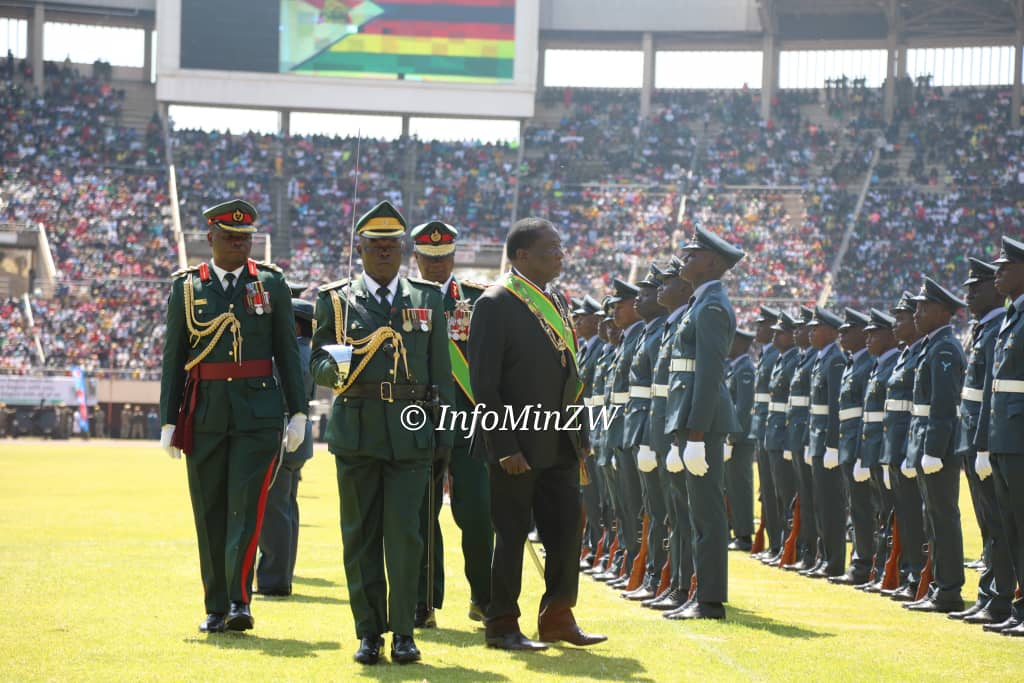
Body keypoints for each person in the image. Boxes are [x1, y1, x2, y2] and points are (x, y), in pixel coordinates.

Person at [310, 200, 454, 664]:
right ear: (361, 250)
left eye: (392, 244)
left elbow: (441, 373)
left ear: (403, 249)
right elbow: (315, 361)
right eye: (376, 245)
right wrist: (335, 367)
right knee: (361, 537)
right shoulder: (336, 300)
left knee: (407, 537)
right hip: (357, 432)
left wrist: (445, 437)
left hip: (412, 434)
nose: (385, 252)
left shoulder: (427, 299)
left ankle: (405, 633)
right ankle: (369, 632)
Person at [159, 198, 308, 635]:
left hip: (259, 415)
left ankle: (240, 601)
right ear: (210, 238)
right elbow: (174, 358)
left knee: (247, 506)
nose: (238, 244)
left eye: (245, 238)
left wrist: (299, 412)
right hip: (204, 413)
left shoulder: (271, 283)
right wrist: (168, 420)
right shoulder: (187, 288)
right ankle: (215, 606)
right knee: (210, 512)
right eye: (229, 237)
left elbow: (287, 351)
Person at [468, 217, 605, 649]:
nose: (561, 255)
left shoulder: (557, 300)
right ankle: (502, 623)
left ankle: (558, 617)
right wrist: (504, 446)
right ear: (522, 255)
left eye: (560, 248)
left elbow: (570, 376)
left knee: (565, 534)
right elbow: (484, 384)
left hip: (560, 442)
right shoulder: (495, 302)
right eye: (552, 249)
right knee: (511, 538)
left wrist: (580, 437)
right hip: (517, 447)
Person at [408, 220, 493, 628]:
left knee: (477, 513)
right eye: (429, 258)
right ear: (416, 258)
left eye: (443, 258)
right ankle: (424, 601)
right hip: (420, 423)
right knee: (422, 515)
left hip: (470, 423)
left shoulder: (478, 299)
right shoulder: (404, 299)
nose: (436, 265)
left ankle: (483, 597)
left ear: (454, 257)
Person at [665, 225, 744, 620]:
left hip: (704, 424)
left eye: (693, 254)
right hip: (692, 421)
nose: (685, 258)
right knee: (697, 512)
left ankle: (709, 600)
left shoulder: (711, 306)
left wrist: (696, 434)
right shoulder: (702, 302)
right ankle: (699, 593)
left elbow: (709, 375)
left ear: (712, 262)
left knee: (708, 515)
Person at [949, 258, 1013, 625]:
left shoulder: (995, 329)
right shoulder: (985, 329)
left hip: (986, 439)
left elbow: (991, 392)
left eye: (977, 288)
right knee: (988, 525)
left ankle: (999, 597)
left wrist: (984, 444)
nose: (969, 295)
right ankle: (989, 594)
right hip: (973, 438)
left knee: (998, 525)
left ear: (993, 289)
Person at [902, 276, 967, 614]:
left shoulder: (944, 348)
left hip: (938, 449)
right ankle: (940, 585)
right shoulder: (933, 345)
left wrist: (932, 450)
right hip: (927, 445)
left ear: (943, 313)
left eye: (924, 308)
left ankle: (949, 589)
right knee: (933, 519)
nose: (916, 314)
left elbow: (942, 405)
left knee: (943, 518)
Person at [256, 286, 317, 598]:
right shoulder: (308, 352)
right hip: (296, 439)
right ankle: (281, 575)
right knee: (286, 509)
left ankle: (274, 579)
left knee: (274, 511)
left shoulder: (290, 354)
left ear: (294, 325)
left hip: (281, 434)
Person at [644, 257, 695, 613]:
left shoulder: (684, 323)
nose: (661, 289)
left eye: (667, 282)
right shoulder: (670, 325)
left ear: (685, 286)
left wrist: (681, 437)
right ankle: (672, 581)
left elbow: (688, 385)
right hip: (661, 429)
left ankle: (682, 583)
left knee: (681, 514)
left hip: (675, 431)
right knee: (669, 514)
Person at [620, 266, 669, 600]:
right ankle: (648, 572)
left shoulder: (660, 331)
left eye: (647, 293)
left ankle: (658, 575)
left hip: (652, 430)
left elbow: (657, 391)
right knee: (643, 507)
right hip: (637, 427)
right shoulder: (648, 332)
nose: (640, 299)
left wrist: (650, 439)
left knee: (658, 510)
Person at [880, 292, 928, 602]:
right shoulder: (905, 354)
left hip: (911, 446)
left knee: (915, 516)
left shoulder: (921, 353)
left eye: (902, 318)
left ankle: (918, 576)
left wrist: (912, 450)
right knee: (905, 516)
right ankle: (909, 573)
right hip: (896, 446)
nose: (896, 324)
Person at [989, 235, 1024, 636]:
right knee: (1011, 526)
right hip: (1003, 437)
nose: (998, 273)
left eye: (1005, 267)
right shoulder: (1011, 316)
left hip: (1019, 438)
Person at [603, 278, 645, 591]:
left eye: (621, 305)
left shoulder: (639, 337)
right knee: (622, 504)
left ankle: (637, 564)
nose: (615, 311)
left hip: (630, 429)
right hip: (616, 429)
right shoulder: (627, 340)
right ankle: (629, 561)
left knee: (634, 504)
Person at [855, 309, 900, 592]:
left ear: (890, 336)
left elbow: (888, 420)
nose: (868, 339)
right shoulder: (878, 365)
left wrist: (883, 457)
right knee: (879, 515)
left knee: (888, 513)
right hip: (871, 450)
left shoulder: (892, 363)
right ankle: (881, 569)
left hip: (882, 451)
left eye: (874, 334)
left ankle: (889, 570)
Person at [802, 306, 846, 580]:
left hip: (826, 443)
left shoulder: (835, 361)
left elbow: (834, 408)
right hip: (816, 439)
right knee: (820, 503)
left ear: (831, 332)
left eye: (816, 328)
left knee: (831, 506)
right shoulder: (822, 359)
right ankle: (824, 556)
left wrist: (832, 445)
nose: (811, 333)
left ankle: (834, 561)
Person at [831, 308, 874, 586]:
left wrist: (860, 453)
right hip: (847, 444)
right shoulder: (852, 363)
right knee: (854, 508)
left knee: (863, 509)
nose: (842, 335)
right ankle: (859, 562)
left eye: (848, 331)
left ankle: (864, 565)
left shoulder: (867, 364)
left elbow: (864, 415)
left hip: (857, 446)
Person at [782, 306, 820, 572]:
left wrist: (806, 440)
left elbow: (812, 408)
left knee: (812, 501)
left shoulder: (815, 358)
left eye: (802, 328)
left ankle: (812, 553)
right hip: (798, 437)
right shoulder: (806, 359)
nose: (796, 333)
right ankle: (805, 552)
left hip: (809, 437)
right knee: (803, 500)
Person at [761, 312, 800, 560]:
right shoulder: (781, 359)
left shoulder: (793, 360)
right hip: (773, 433)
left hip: (784, 434)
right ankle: (778, 545)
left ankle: (789, 547)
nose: (774, 336)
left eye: (780, 333)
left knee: (787, 495)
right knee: (776, 494)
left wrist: (787, 440)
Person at [575, 295, 605, 570]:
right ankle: (593, 545)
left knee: (600, 495)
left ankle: (600, 548)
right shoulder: (586, 349)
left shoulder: (599, 349)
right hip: (587, 426)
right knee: (590, 494)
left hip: (597, 427)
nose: (576, 322)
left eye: (581, 317)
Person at [749, 306, 782, 560]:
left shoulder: (773, 357)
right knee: (767, 492)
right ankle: (773, 543)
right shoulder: (767, 355)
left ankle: (778, 543)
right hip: (762, 428)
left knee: (774, 491)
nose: (757, 329)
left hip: (772, 428)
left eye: (763, 325)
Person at [725, 329, 756, 552]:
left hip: (740, 438)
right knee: (730, 486)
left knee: (740, 486)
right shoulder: (734, 367)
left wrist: (731, 438)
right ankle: (734, 529)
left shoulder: (745, 369)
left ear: (741, 344)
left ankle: (744, 535)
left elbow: (743, 409)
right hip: (732, 437)